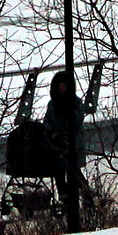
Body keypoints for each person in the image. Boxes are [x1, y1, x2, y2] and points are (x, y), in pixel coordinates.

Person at [43, 69, 89, 205]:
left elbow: (77, 120)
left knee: (73, 170)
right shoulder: (53, 104)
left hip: (72, 144)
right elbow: (47, 121)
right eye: (60, 86)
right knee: (59, 170)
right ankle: (64, 196)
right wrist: (52, 133)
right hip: (57, 144)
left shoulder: (75, 103)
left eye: (64, 86)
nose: (62, 89)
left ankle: (85, 194)